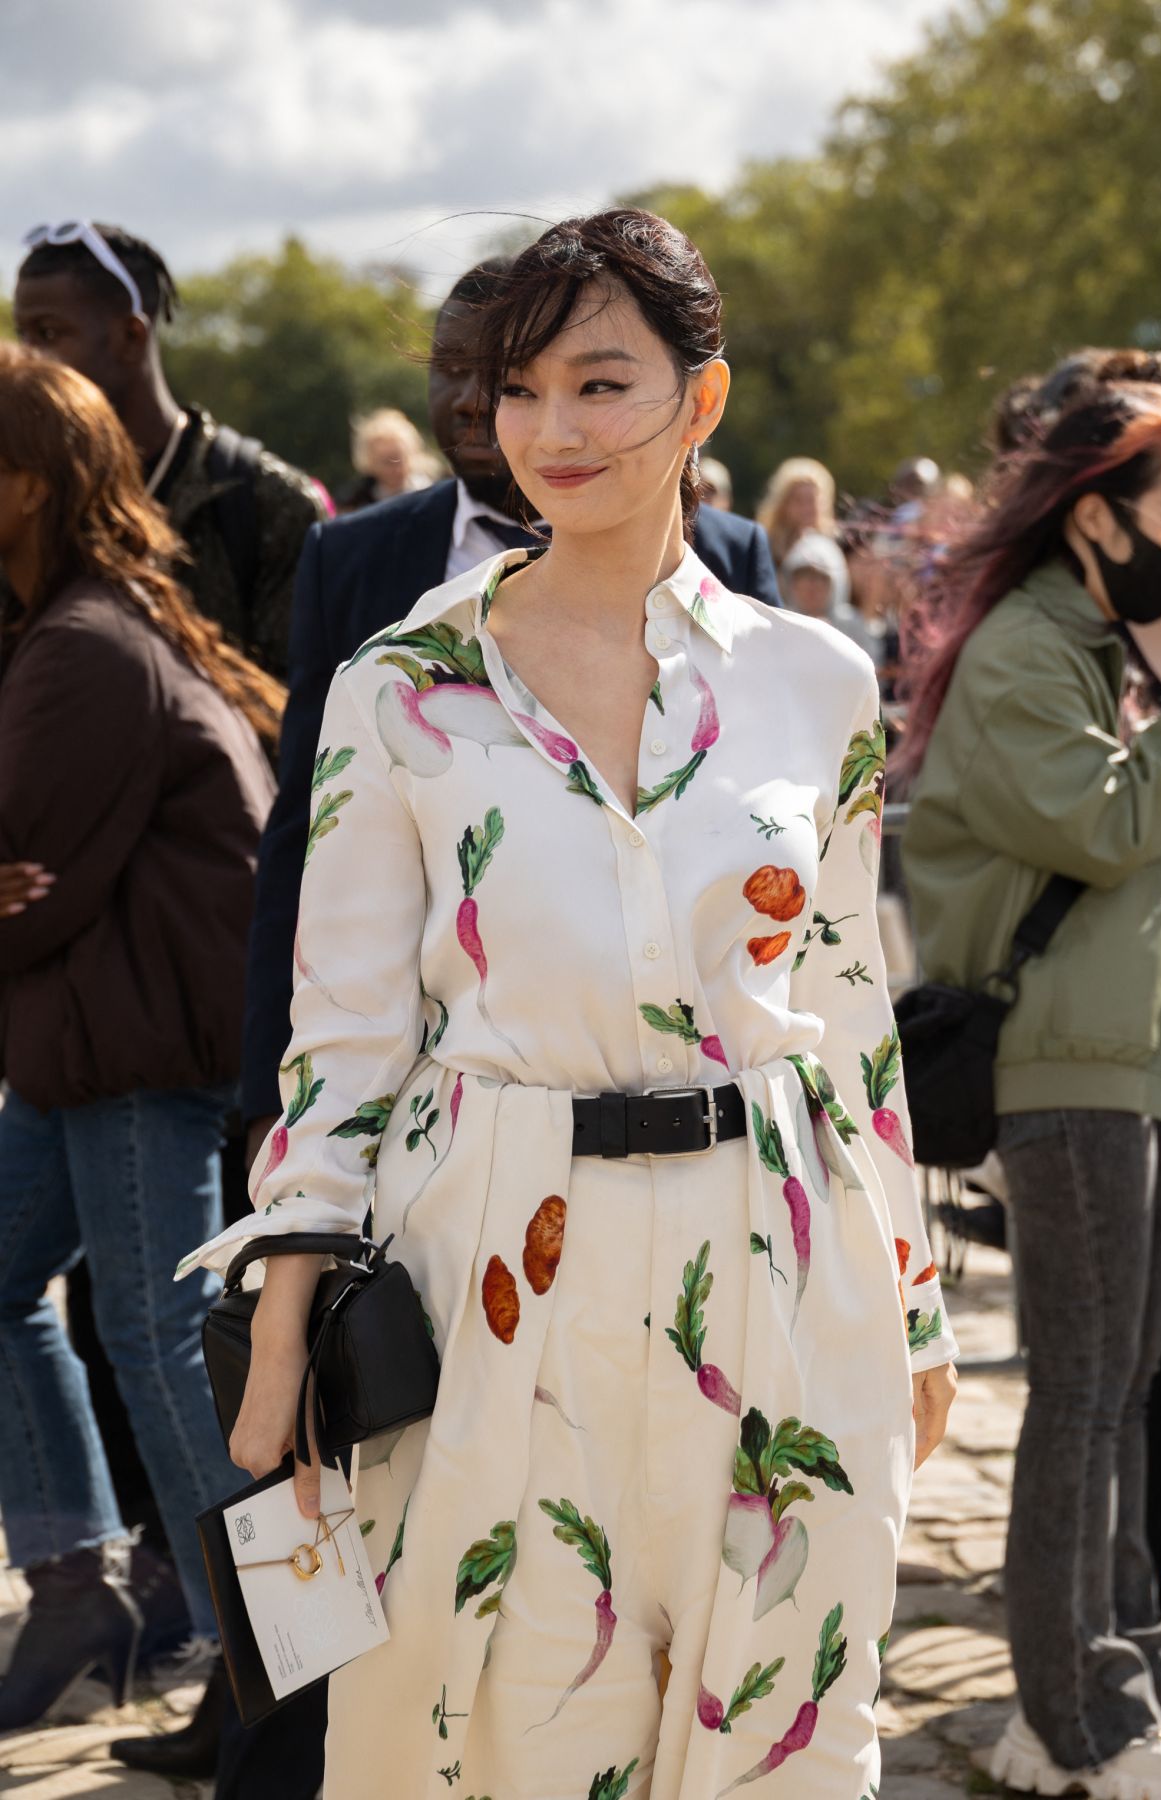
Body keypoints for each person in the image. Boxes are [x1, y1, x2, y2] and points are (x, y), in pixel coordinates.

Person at [179, 205, 957, 1800]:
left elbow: (850, 1002)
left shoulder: (819, 682)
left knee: (779, 1728)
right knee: (496, 1726)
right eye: (516, 394)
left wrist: (917, 1302)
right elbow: (342, 1041)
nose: (550, 432)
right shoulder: (399, 687)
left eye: (602, 384)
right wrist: (281, 1317)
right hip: (492, 1270)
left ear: (705, 402)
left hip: (781, 1255)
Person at [238, 256, 782, 1146]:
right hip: (425, 1092)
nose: (472, 398)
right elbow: (305, 827)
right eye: (465, 371)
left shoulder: (734, 564)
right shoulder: (352, 564)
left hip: (693, 1098)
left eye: (581, 382)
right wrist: (275, 1090)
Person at [901, 381, 1161, 1799]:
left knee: (1125, 1390)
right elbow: (1110, 820)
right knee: (1081, 1394)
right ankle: (1063, 1724)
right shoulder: (1027, 655)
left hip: (1138, 1055)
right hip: (1062, 1065)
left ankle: (1129, 1669)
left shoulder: (1101, 647)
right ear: (1094, 519)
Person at [0, 344, 278, 1732]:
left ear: (26, 486)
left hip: (129, 1056)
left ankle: (264, 1655)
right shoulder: (80, 626)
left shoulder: (84, 650)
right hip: (83, 1052)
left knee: (157, 1336)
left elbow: (30, 892)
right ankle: (77, 1594)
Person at [13, 221, 327, 680]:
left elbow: (300, 715)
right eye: (22, 336)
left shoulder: (268, 505)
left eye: (48, 334)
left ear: (131, 338)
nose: (28, 360)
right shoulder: (24, 495)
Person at [778, 530, 882, 666]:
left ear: (836, 583)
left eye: (820, 577)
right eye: (803, 576)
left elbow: (871, 674)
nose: (812, 585)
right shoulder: (779, 622)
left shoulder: (852, 626)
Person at [340, 406, 437, 512]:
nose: (395, 468)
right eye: (386, 462)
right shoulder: (356, 501)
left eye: (398, 458)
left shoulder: (431, 492)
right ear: (370, 462)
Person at [757, 454, 839, 572]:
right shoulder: (764, 547)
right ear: (783, 504)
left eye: (811, 500)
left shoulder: (836, 547)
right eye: (798, 500)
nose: (806, 508)